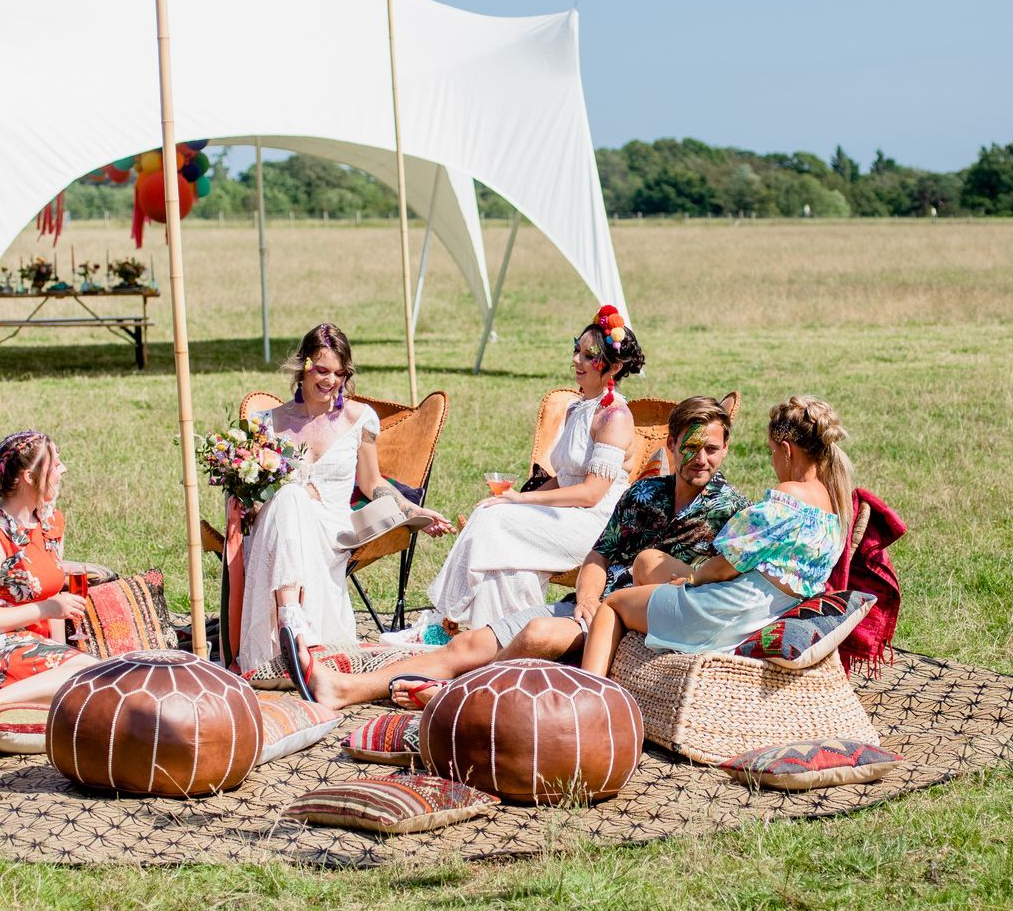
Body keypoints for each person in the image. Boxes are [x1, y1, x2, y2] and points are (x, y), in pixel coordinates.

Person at [307, 395, 745, 711]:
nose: (700, 458)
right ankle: (350, 687)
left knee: (535, 634)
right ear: (670, 446)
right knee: (471, 641)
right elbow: (598, 557)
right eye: (689, 447)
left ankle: (452, 697)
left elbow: (731, 579)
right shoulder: (644, 493)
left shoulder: (733, 512)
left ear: (725, 449)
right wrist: (588, 601)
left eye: (711, 448)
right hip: (591, 610)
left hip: (640, 623)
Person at [227, 323, 453, 693]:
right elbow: (250, 497)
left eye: (339, 373)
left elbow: (373, 483)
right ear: (303, 367)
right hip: (277, 531)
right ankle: (292, 619)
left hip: (331, 532)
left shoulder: (361, 420)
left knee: (292, 498)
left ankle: (289, 624)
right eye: (321, 369)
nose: (330, 381)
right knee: (290, 497)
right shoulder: (268, 423)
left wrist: (412, 513)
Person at [581, 396, 855, 680]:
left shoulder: (788, 497)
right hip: (756, 616)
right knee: (648, 562)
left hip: (720, 615)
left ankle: (591, 696)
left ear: (786, 451)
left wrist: (689, 582)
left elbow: (724, 568)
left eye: (772, 452)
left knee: (612, 605)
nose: (772, 460)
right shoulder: (834, 508)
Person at [422, 305, 644, 632]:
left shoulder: (615, 417)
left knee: (491, 520)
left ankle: (447, 619)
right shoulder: (576, 409)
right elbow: (564, 478)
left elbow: (591, 493)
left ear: (614, 366)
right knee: (508, 565)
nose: (576, 361)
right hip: (566, 516)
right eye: (576, 350)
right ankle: (503, 642)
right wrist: (513, 495)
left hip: (597, 528)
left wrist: (520, 502)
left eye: (587, 355)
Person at [0, 431, 100, 707]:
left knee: (94, 678)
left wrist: (61, 651)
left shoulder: (50, 523)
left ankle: (37, 698)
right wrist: (47, 609)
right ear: (30, 477)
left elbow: (53, 595)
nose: (63, 469)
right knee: (88, 675)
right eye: (55, 464)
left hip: (33, 645)